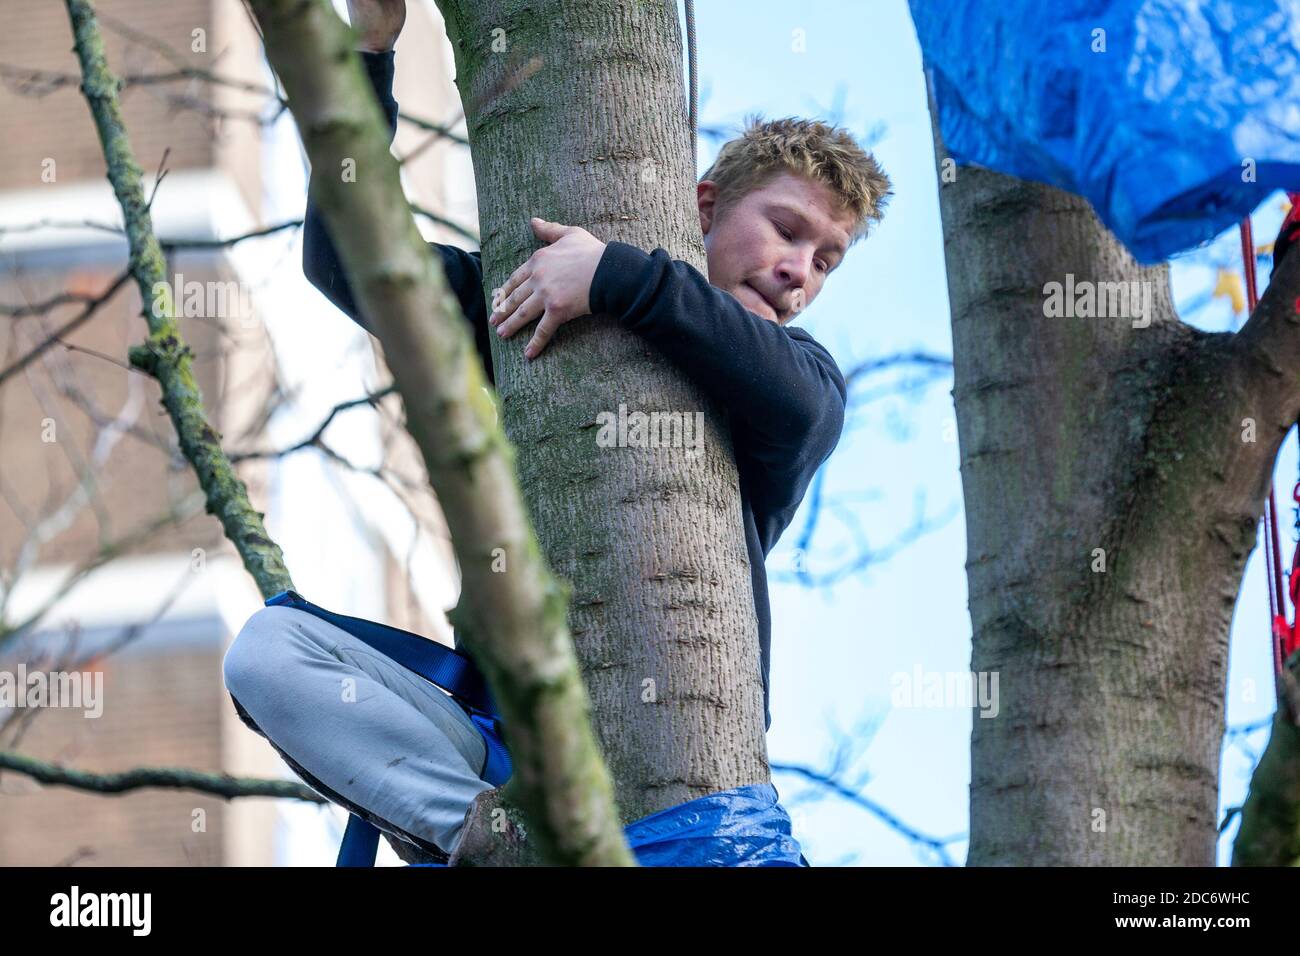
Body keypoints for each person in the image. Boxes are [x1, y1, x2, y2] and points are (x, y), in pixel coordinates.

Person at [222, 0, 892, 861]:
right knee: (271, 650)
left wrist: (616, 276)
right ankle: (485, 840)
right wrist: (370, 55)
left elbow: (802, 408)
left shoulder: (792, 382)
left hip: (684, 784)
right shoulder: (517, 300)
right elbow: (343, 258)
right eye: (787, 230)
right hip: (505, 759)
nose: (800, 271)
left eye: (826, 259)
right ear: (706, 205)